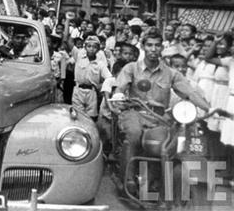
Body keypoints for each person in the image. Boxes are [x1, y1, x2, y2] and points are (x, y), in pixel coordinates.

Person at [111, 29, 211, 194]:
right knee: (134, 135)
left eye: (157, 45)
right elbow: (120, 86)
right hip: (134, 113)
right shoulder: (131, 68)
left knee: (166, 144)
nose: (153, 49)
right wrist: (119, 96)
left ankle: (157, 179)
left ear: (161, 48)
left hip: (158, 117)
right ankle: (127, 180)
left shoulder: (171, 73)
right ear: (143, 46)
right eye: (149, 45)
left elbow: (190, 93)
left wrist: (210, 109)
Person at [70, 36, 112, 120]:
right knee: (77, 116)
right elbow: (67, 42)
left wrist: (102, 86)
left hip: (92, 92)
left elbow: (109, 77)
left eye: (94, 47)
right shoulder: (78, 56)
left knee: (91, 118)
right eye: (89, 46)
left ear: (98, 49)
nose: (91, 49)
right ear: (85, 47)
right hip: (78, 90)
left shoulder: (100, 64)